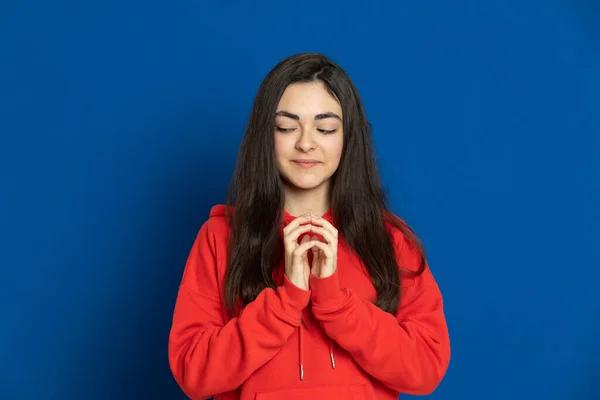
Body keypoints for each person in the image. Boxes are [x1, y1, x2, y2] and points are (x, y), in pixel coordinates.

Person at [168, 52, 450, 400]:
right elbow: (193, 373)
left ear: (349, 137)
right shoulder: (220, 237)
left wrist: (336, 305)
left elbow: (426, 370)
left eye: (325, 127)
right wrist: (284, 303)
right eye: (286, 127)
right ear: (264, 135)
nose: (305, 142)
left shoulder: (389, 239)